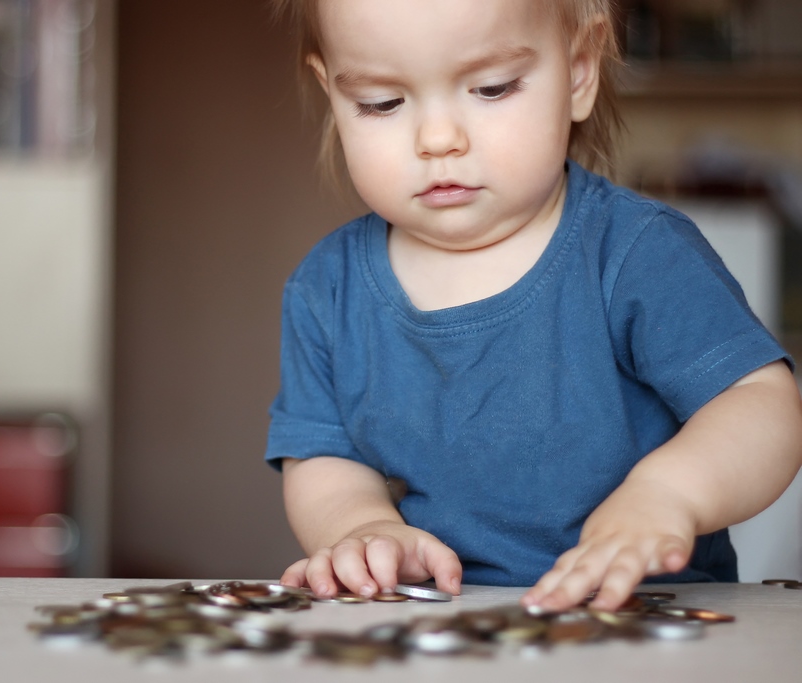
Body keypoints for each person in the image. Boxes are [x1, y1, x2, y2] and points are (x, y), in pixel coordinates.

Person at [264, 0, 802, 612]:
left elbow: (762, 407)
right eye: (382, 102)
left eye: (492, 88)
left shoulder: (637, 253)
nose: (438, 139)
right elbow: (324, 454)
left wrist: (667, 494)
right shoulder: (325, 288)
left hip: (643, 622)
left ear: (578, 70)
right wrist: (359, 528)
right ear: (331, 91)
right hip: (439, 629)